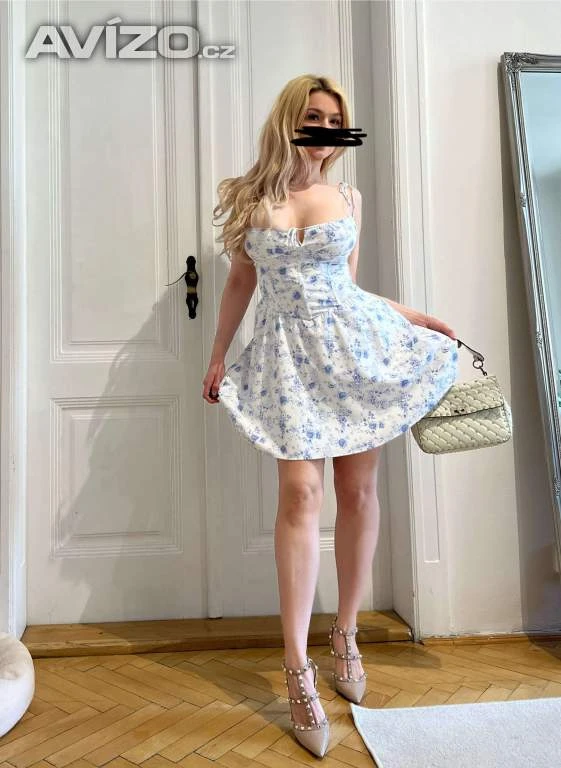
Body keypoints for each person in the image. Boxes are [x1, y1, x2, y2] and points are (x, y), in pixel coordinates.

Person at [202, 74, 459, 758]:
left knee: (357, 491)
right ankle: (296, 665)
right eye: (313, 116)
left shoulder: (348, 197)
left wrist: (414, 316)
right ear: (289, 119)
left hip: (351, 351)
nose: (325, 129)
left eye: (334, 119)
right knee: (298, 494)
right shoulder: (249, 196)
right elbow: (240, 281)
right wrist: (218, 353)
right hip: (286, 359)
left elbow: (348, 289)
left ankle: (345, 632)